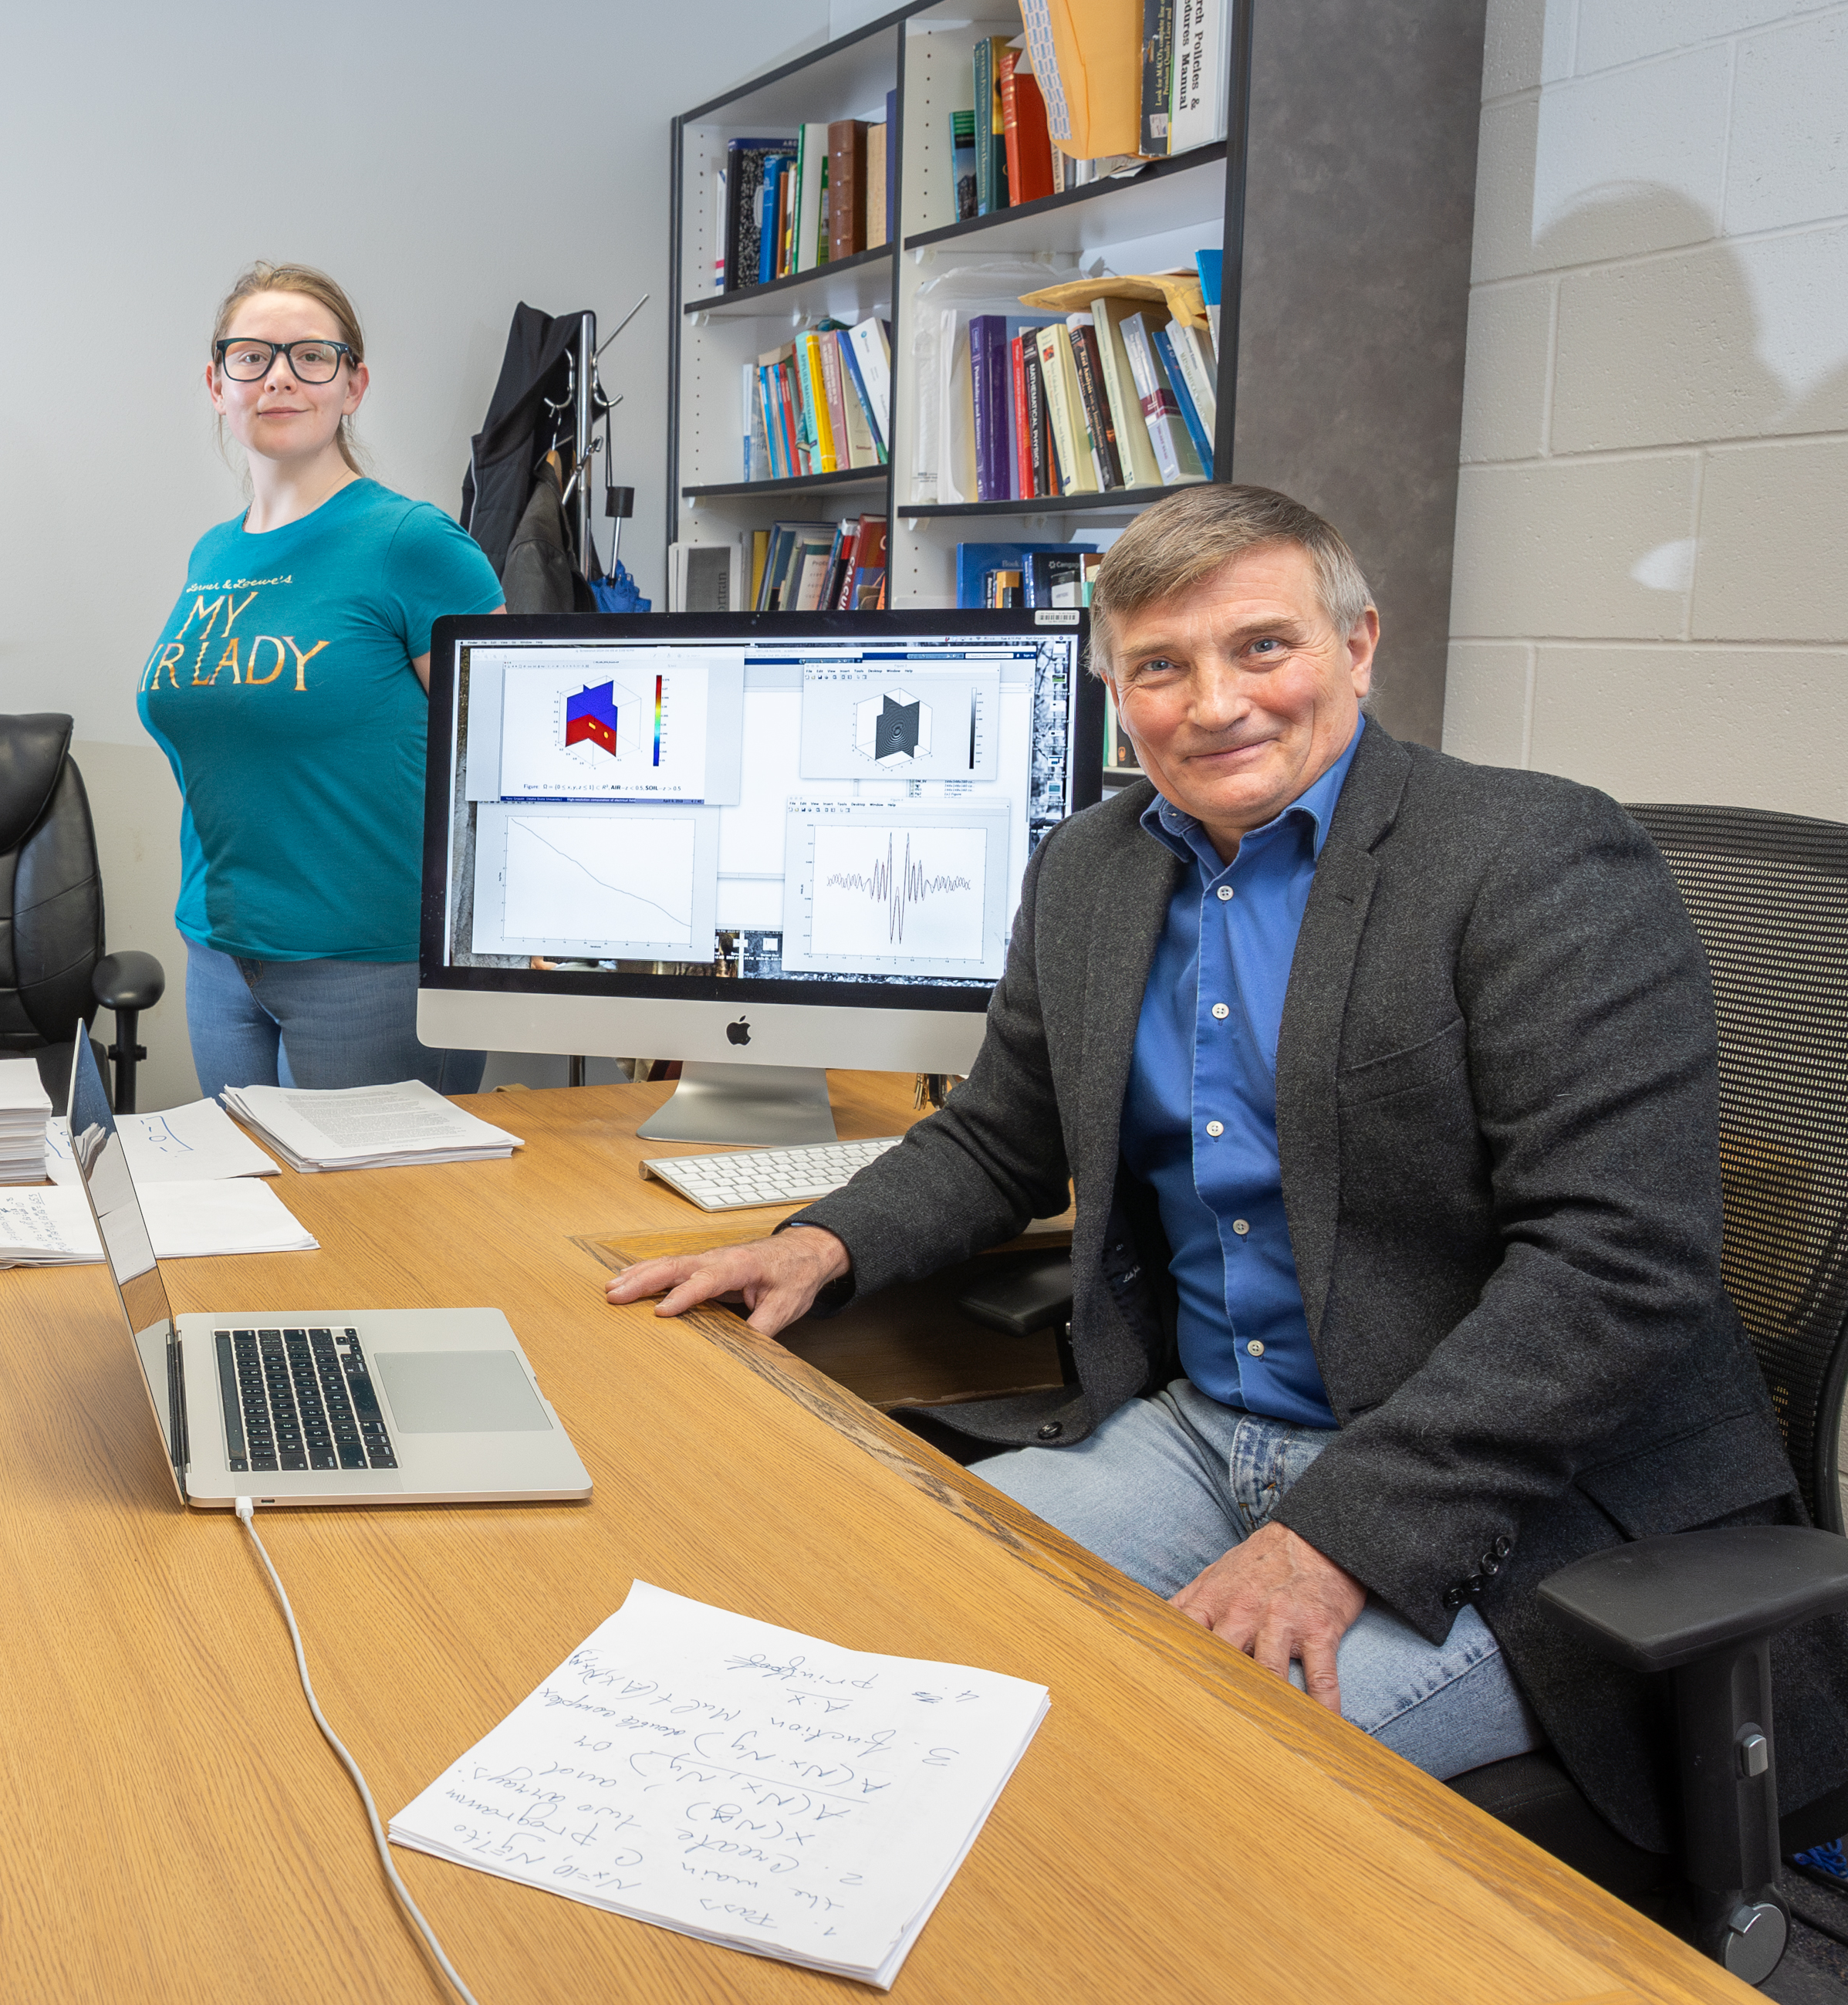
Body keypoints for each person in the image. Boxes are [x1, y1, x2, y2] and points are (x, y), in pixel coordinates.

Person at [602, 482, 1846, 1852]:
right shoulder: (1091, 867)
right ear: (1116, 694)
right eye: (1160, 666)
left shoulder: (1535, 861)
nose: (1214, 703)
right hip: (1203, 1438)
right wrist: (819, 1245)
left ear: (1359, 646)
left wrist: (1335, 1540)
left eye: (1263, 647)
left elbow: (1620, 1269)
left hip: (1523, 1499)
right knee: (873, 1653)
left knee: (1132, 1791)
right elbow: (1004, 1131)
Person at [137, 262, 503, 1096]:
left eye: (311, 357)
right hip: (223, 959)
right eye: (252, 356)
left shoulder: (412, 543)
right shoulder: (213, 553)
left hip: (372, 965)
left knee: (381, 1227)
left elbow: (505, 757)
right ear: (216, 383)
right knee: (254, 1219)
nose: (279, 378)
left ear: (353, 384)